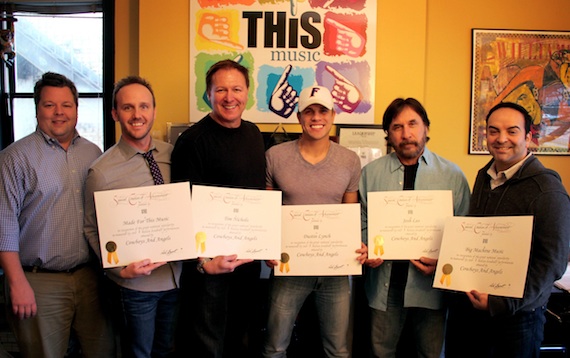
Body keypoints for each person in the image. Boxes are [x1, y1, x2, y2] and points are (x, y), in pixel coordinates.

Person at [0, 72, 115, 357]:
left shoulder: (92, 153)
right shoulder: (15, 157)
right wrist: (17, 284)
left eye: (66, 105)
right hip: (39, 283)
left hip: (90, 279)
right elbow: (4, 227)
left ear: (77, 108)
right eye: (50, 105)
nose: (59, 113)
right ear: (37, 108)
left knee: (101, 350)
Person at [445, 102, 570, 358]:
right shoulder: (484, 176)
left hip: (518, 317)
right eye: (493, 131)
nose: (501, 139)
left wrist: (502, 302)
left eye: (512, 131)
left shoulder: (548, 190)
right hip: (473, 308)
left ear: (529, 137)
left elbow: (553, 262)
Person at [359, 98, 470, 358]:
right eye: (397, 127)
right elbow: (361, 219)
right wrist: (368, 247)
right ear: (388, 134)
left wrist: (444, 259)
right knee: (380, 353)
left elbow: (464, 229)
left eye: (413, 124)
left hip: (431, 288)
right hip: (384, 286)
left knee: (430, 354)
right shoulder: (370, 173)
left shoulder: (452, 175)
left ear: (426, 129)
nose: (406, 134)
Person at [262, 85, 367, 357]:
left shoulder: (349, 160)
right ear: (298, 117)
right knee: (274, 346)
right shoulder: (275, 156)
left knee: (339, 350)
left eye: (323, 110)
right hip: (289, 268)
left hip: (335, 270)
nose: (316, 117)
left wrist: (358, 245)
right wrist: (267, 247)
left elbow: (350, 213)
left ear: (333, 115)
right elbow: (267, 213)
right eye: (309, 111)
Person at [171, 59, 266, 357]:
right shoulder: (192, 141)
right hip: (212, 267)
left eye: (237, 89)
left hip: (248, 262)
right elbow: (183, 208)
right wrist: (203, 262)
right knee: (209, 344)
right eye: (221, 89)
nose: (229, 97)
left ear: (248, 93)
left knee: (241, 338)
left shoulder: (254, 135)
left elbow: (259, 196)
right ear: (208, 94)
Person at [83, 76, 182, 358]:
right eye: (127, 108)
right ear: (115, 114)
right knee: (138, 353)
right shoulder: (101, 172)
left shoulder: (173, 155)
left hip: (176, 279)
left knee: (166, 351)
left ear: (153, 110)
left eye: (144, 106)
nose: (137, 115)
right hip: (136, 286)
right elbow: (92, 229)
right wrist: (117, 270)